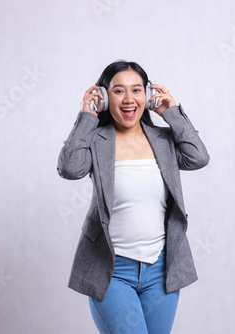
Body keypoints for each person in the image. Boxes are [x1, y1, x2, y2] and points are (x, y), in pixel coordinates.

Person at [57, 60, 209, 333]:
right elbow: (69, 168)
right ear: (103, 97)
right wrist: (87, 117)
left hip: (161, 271)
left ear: (148, 95)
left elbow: (198, 157)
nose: (129, 99)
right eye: (118, 91)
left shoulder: (164, 140)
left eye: (137, 90)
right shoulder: (96, 141)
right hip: (112, 271)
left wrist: (172, 113)